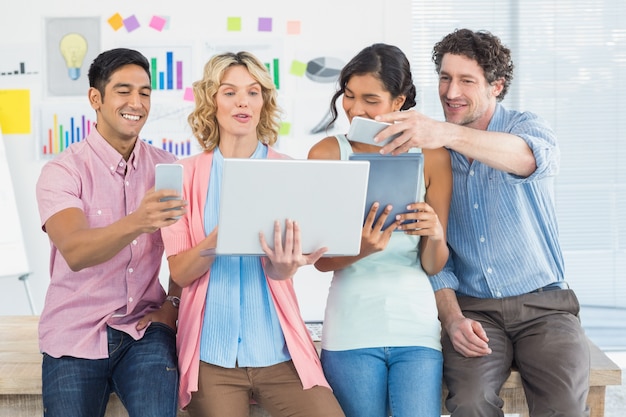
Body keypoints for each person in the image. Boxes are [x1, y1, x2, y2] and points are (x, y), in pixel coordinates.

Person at [375, 29, 591, 417]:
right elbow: (430, 250)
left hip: (545, 306)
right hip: (473, 310)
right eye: (445, 77)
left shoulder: (525, 127)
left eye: (466, 80)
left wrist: (445, 133)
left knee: (565, 406)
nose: (450, 91)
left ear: (496, 86)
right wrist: (453, 318)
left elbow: (531, 160)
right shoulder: (425, 155)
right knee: (470, 403)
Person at [160, 51, 346, 417]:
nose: (243, 101)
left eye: (254, 92)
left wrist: (286, 266)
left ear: (264, 102)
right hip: (211, 358)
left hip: (278, 353)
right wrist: (223, 234)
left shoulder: (290, 173)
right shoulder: (182, 175)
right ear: (211, 101)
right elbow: (180, 272)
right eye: (230, 92)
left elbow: (279, 273)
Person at [35, 48, 186, 417]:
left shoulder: (169, 167)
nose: (136, 102)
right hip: (75, 332)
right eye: (123, 90)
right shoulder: (62, 171)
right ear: (95, 98)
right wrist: (139, 219)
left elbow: (189, 250)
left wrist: (172, 306)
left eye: (145, 92)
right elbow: (76, 250)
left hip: (145, 331)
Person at [307, 43, 452, 417]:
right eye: (349, 96)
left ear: (399, 101)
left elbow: (434, 265)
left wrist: (434, 233)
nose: (355, 109)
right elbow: (321, 263)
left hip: (416, 327)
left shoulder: (433, 157)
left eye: (370, 99)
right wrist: (362, 248)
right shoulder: (327, 154)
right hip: (350, 326)